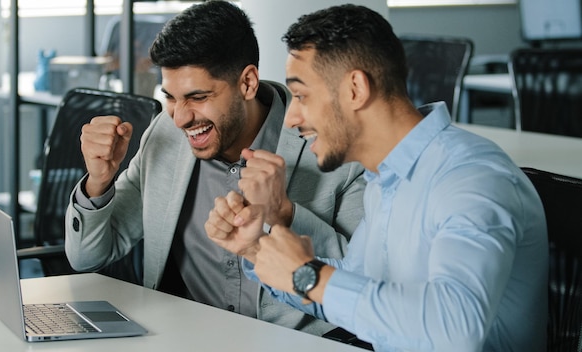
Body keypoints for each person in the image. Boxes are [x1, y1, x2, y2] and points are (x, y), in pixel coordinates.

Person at [204, 4, 548, 351]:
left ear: (355, 89)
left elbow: (455, 329)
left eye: (302, 95)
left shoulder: (471, 178)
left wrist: (306, 275)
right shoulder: (386, 179)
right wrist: (256, 249)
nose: (291, 119)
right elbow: (356, 294)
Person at [64, 0, 365, 336]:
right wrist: (99, 181)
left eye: (197, 96)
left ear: (248, 83)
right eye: (171, 97)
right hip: (177, 337)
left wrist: (285, 213)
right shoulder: (165, 133)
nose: (180, 117)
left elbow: (362, 279)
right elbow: (88, 257)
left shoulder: (334, 147)